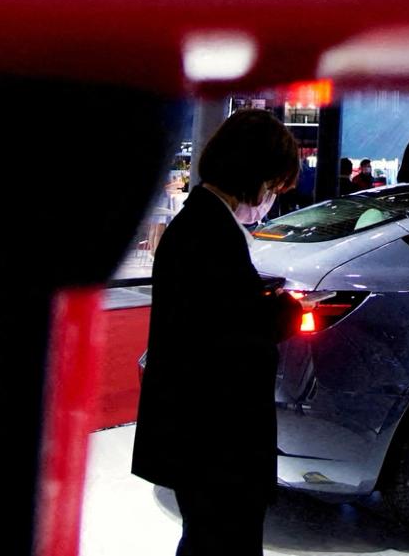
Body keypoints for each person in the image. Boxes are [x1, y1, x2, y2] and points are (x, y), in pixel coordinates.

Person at [133, 108, 304, 555]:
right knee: (223, 538)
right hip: (216, 438)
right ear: (254, 172)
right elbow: (226, 335)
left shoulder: (200, 225)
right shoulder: (209, 233)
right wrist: (283, 313)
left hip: (204, 435)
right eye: (273, 185)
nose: (271, 197)